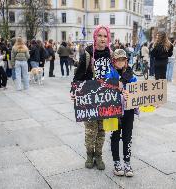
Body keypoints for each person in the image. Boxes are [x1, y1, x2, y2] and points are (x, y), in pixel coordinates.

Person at [72, 25, 113, 170]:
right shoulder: (87, 54)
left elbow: (119, 74)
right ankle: (89, 154)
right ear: (95, 37)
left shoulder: (111, 54)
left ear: (108, 38)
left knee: (102, 129)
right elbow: (78, 76)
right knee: (90, 129)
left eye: (105, 36)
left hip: (105, 98)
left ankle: (99, 155)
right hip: (89, 97)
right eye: (99, 35)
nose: (102, 39)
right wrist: (75, 92)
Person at [104, 49, 137, 177]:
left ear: (126, 61)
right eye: (118, 59)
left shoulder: (131, 74)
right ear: (113, 60)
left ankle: (127, 163)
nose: (120, 61)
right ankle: (117, 162)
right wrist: (117, 88)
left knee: (128, 137)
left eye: (123, 59)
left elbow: (137, 90)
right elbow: (105, 88)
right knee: (115, 136)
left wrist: (131, 94)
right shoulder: (109, 73)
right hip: (114, 111)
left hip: (128, 111)